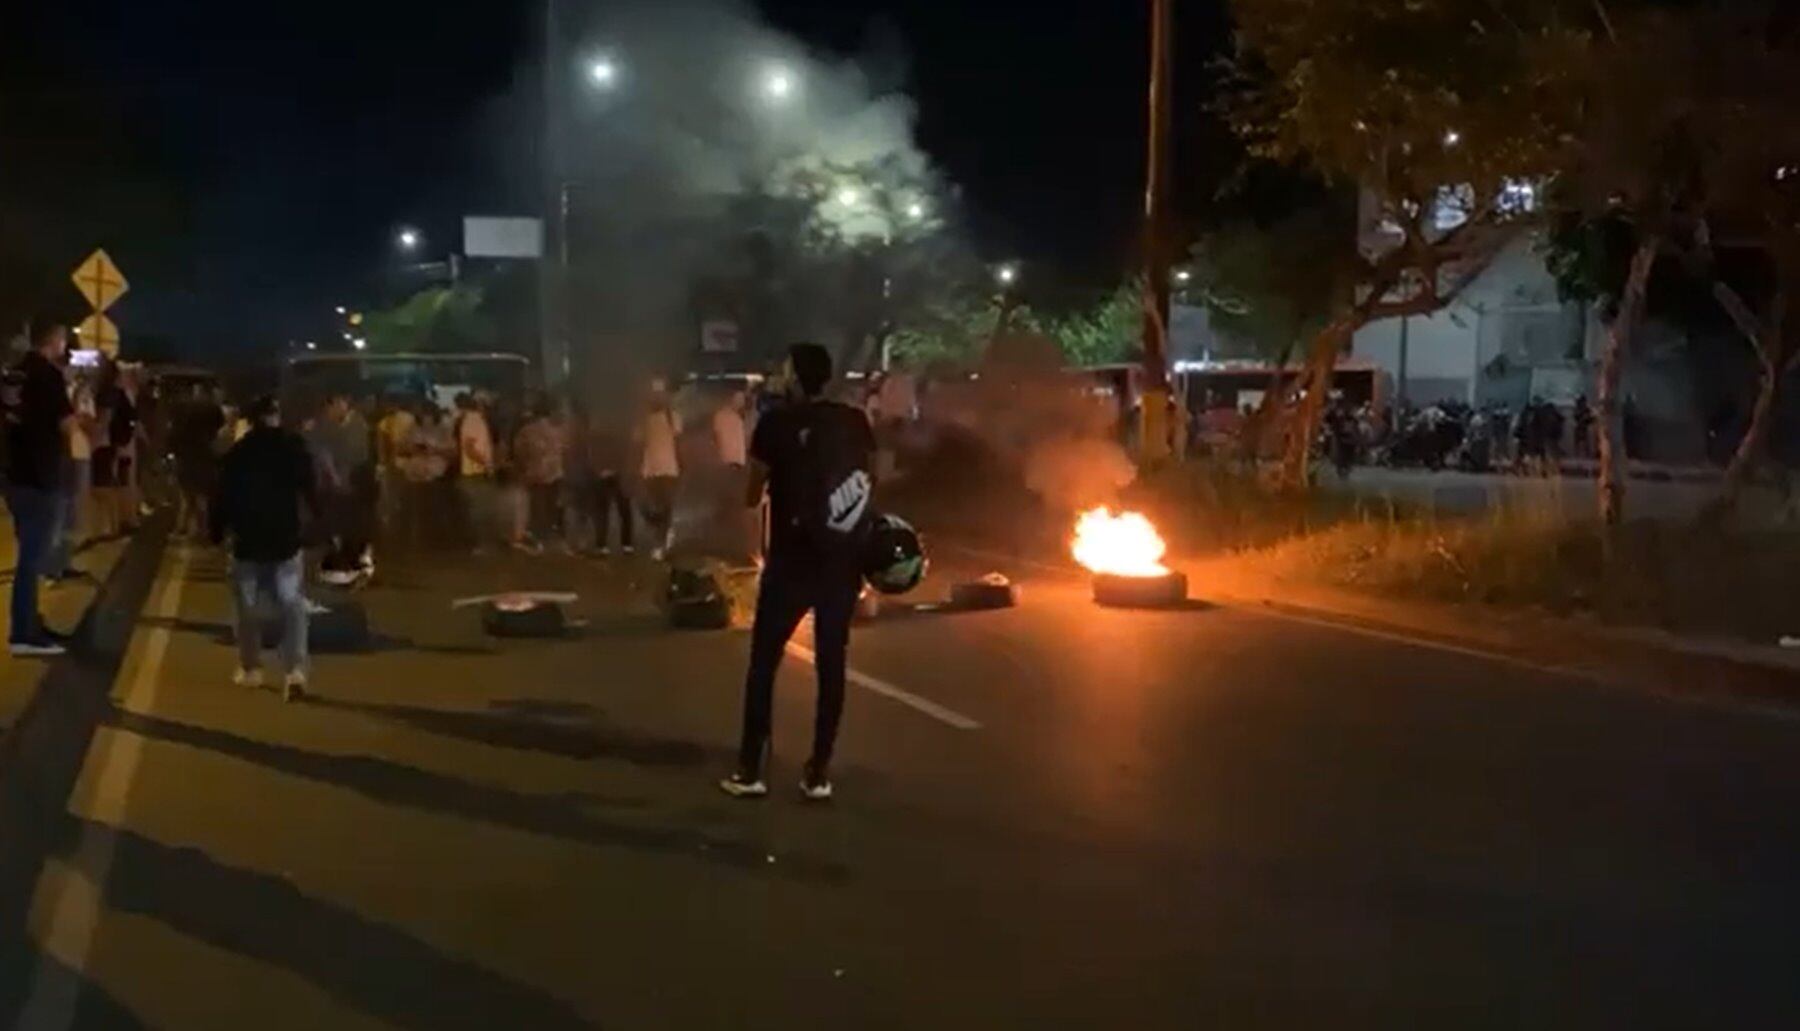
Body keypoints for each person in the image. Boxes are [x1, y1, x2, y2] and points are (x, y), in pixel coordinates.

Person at [721, 343, 876, 802]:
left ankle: (752, 770)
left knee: (763, 665)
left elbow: (751, 494)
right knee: (833, 665)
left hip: (791, 562)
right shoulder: (854, 422)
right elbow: (874, 477)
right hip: (841, 562)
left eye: (784, 368)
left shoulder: (775, 425)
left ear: (794, 376)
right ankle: (818, 773)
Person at [212, 395, 318, 702]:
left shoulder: (239, 453)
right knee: (291, 604)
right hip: (285, 539)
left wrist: (217, 532)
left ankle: (251, 668)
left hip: (248, 540)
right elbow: (310, 488)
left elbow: (223, 498)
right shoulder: (293, 448)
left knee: (247, 608)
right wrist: (319, 525)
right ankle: (295, 669)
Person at [2, 321, 76, 655]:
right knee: (33, 559)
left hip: (14, 475)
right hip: (41, 476)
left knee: (28, 555)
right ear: (55, 340)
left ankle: (29, 620)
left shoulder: (15, 373)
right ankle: (23, 633)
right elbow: (67, 425)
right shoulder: (49, 376)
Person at [307, 393, 374, 583]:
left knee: (350, 524)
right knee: (341, 523)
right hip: (340, 485)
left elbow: (356, 456)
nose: (329, 412)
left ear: (341, 403)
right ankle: (345, 561)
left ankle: (351, 561)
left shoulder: (356, 426)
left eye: (331, 407)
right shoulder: (335, 426)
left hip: (352, 484)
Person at [46, 371, 97, 583]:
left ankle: (64, 563)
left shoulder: (83, 394)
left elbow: (91, 423)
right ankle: (52, 567)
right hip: (62, 458)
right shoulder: (52, 393)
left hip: (80, 454)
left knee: (72, 514)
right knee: (59, 511)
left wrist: (78, 417)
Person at [512, 397, 568, 553]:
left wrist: (524, 468)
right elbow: (566, 450)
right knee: (552, 507)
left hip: (535, 473)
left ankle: (537, 539)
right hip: (555, 473)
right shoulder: (558, 429)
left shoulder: (526, 431)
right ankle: (550, 536)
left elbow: (519, 452)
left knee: (537, 507)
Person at [636, 379, 683, 560]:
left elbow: (679, 444)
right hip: (649, 470)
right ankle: (660, 538)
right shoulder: (643, 420)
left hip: (669, 469)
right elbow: (638, 446)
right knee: (650, 508)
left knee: (666, 508)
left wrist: (682, 466)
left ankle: (660, 543)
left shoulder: (673, 418)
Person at [397, 404, 454, 550]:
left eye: (428, 416)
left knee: (434, 505)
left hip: (436, 473)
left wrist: (435, 450)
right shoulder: (413, 428)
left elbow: (452, 451)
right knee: (416, 505)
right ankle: (417, 532)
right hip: (415, 472)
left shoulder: (444, 429)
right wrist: (414, 448)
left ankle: (437, 534)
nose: (426, 419)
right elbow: (401, 447)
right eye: (423, 416)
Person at [172, 384, 224, 538]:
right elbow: (219, 428)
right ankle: (203, 529)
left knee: (186, 495)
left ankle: (182, 527)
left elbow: (176, 432)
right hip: (206, 454)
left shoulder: (183, 409)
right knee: (202, 494)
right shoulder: (213, 409)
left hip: (187, 454)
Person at [583, 408, 634, 556]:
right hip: (610, 474)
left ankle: (610, 544)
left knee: (609, 511)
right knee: (616, 510)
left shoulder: (599, 435)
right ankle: (622, 544)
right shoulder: (604, 434)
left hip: (611, 474)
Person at [453, 392, 497, 553]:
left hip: (472, 472)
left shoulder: (471, 420)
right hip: (475, 472)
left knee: (476, 510)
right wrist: (486, 464)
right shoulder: (474, 420)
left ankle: (478, 544)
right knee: (479, 511)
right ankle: (480, 545)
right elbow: (469, 447)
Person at [712, 388, 752, 560]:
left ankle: (729, 537)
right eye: (740, 401)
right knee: (731, 500)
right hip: (729, 463)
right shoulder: (724, 417)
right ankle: (728, 538)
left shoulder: (736, 417)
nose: (742, 405)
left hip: (734, 463)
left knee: (732, 501)